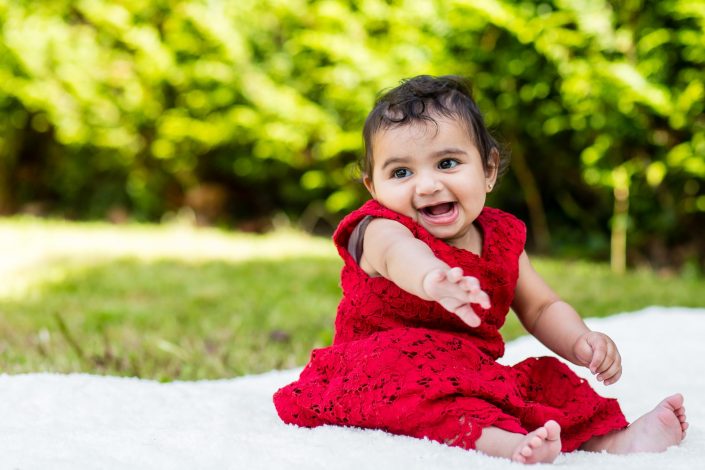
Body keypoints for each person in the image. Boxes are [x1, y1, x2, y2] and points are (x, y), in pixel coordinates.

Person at [273, 75, 688, 464]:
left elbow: (541, 307)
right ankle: (506, 444)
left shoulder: (503, 237)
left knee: (544, 382)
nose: (427, 185)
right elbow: (397, 254)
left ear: (488, 170)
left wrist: (582, 341)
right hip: (381, 364)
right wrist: (429, 277)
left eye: (447, 163)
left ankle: (616, 440)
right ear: (373, 187)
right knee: (419, 388)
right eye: (401, 172)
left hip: (470, 369)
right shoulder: (380, 227)